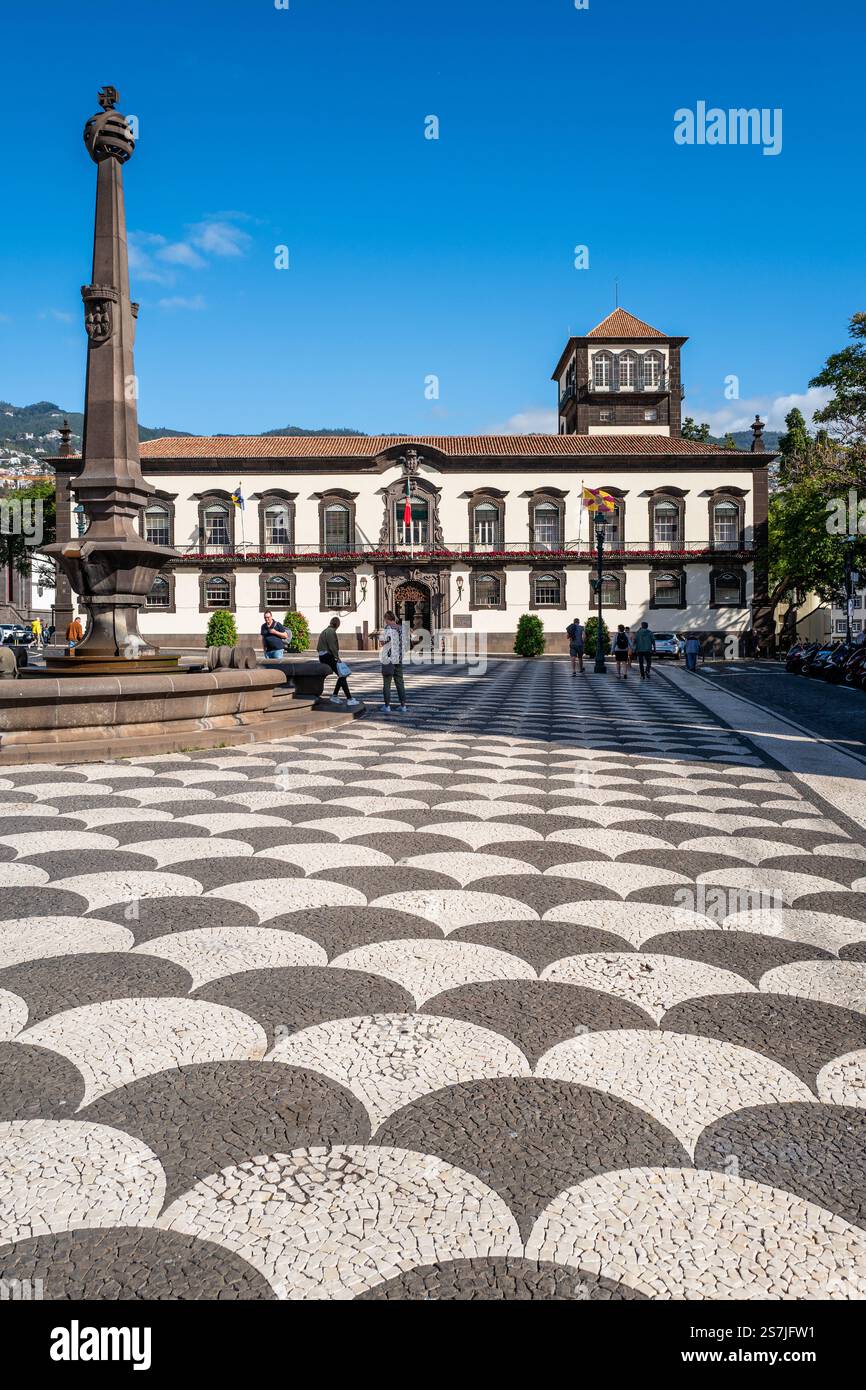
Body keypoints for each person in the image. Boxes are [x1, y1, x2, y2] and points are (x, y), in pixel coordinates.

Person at [317, 616, 359, 705]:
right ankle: (349, 699)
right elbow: (332, 646)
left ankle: (335, 696)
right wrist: (337, 657)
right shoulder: (331, 632)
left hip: (323, 656)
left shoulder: (325, 631)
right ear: (338, 624)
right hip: (327, 656)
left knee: (341, 675)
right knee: (342, 675)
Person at [378, 610, 409, 712]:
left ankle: (387, 706)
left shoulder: (388, 628)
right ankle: (403, 706)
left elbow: (384, 642)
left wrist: (381, 641)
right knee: (400, 682)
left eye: (385, 619)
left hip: (389, 658)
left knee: (387, 682)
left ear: (387, 619)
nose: (385, 621)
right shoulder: (401, 628)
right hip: (399, 658)